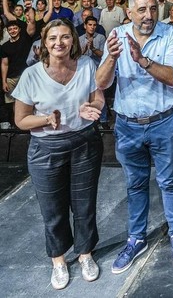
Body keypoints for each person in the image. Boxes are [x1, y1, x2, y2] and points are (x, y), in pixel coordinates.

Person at [95, 0, 173, 273]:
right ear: (129, 12)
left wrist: (142, 61)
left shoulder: (170, 34)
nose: (148, 15)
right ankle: (136, 239)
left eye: (152, 8)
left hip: (164, 121)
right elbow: (101, 82)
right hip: (127, 125)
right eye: (142, 10)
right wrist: (112, 58)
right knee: (135, 184)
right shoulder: (116, 37)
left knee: (169, 181)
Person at [12, 19, 104, 289]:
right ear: (44, 43)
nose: (59, 43)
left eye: (65, 37)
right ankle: (59, 260)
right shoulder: (31, 75)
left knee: (84, 206)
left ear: (73, 41)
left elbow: (98, 97)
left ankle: (85, 254)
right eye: (53, 38)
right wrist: (44, 120)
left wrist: (93, 107)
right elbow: (20, 120)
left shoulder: (87, 65)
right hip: (46, 149)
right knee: (53, 210)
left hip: (85, 142)